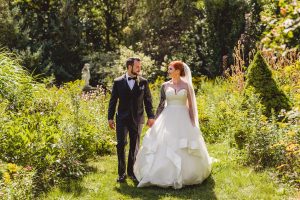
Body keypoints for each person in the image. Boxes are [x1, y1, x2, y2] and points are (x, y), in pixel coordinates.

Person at [134, 61, 212, 189]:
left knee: (184, 146)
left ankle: (187, 174)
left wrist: (193, 122)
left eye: (170, 69)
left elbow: (191, 106)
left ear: (177, 70)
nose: (168, 71)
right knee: (163, 143)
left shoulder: (187, 86)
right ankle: (160, 173)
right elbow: (161, 104)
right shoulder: (165, 85)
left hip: (183, 117)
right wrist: (154, 119)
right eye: (168, 69)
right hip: (167, 116)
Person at [108, 57, 155, 183]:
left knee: (134, 146)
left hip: (137, 118)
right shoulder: (118, 82)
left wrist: (151, 116)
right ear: (129, 67)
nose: (139, 68)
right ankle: (121, 173)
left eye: (140, 66)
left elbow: (148, 101)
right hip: (122, 118)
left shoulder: (143, 82)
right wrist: (110, 118)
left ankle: (132, 172)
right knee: (120, 145)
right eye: (137, 66)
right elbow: (113, 101)